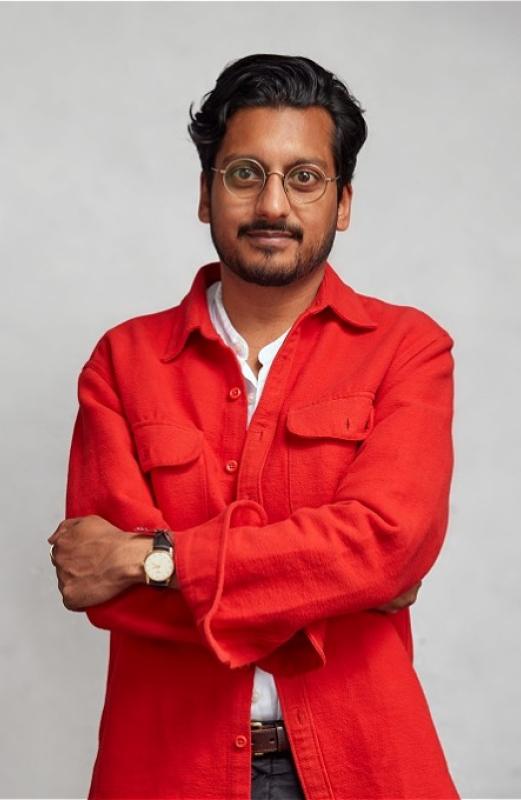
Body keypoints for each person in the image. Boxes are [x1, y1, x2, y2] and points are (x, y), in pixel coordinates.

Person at [49, 54, 459, 800]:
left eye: (304, 177)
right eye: (244, 174)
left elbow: (389, 543)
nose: (273, 203)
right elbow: (100, 586)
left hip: (365, 764)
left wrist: (155, 560)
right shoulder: (123, 362)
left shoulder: (408, 350)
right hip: (170, 772)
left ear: (343, 203)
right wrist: (335, 585)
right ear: (206, 195)